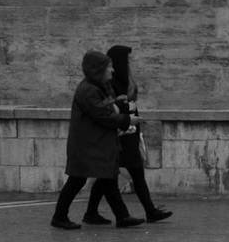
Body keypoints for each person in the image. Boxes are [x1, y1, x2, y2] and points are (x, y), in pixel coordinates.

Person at [51, 48, 142, 230]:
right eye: (109, 67)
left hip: (95, 144)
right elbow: (103, 116)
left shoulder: (97, 87)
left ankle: (120, 216)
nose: (112, 70)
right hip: (87, 145)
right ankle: (59, 217)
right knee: (77, 180)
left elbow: (105, 109)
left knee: (108, 178)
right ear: (98, 70)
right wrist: (127, 120)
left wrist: (117, 103)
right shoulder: (88, 90)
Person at [84, 43, 172, 224]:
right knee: (108, 176)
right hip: (119, 132)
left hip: (131, 130)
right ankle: (98, 213)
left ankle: (149, 210)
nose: (130, 62)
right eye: (127, 59)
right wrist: (120, 105)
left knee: (134, 173)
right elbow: (107, 107)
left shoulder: (126, 79)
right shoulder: (109, 81)